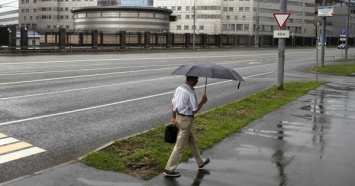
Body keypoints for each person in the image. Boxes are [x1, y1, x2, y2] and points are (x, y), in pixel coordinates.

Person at [164, 76, 210, 177]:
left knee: (192, 140)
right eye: (196, 79)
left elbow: (173, 103)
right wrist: (202, 101)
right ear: (192, 80)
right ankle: (169, 169)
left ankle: (200, 162)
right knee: (180, 147)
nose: (197, 81)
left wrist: (173, 117)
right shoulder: (190, 92)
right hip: (186, 120)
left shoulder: (179, 88)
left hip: (178, 117)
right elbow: (194, 110)